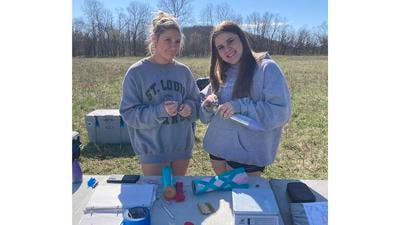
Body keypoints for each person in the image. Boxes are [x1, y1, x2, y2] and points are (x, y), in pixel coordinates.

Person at [200, 21, 291, 176]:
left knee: (242, 200)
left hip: (248, 155)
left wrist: (239, 106)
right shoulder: (221, 72)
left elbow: (280, 112)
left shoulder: (266, 68)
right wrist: (207, 105)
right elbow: (203, 115)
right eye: (220, 47)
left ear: (242, 39)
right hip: (217, 149)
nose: (226, 49)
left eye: (230, 41)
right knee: (226, 197)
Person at [119, 11, 200, 176]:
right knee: (157, 196)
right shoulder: (136, 72)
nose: (173, 46)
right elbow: (128, 113)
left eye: (177, 41)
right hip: (153, 151)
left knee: (176, 195)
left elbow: (196, 102)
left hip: (181, 148)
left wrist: (190, 108)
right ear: (154, 39)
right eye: (167, 40)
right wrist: (160, 111)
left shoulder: (183, 71)